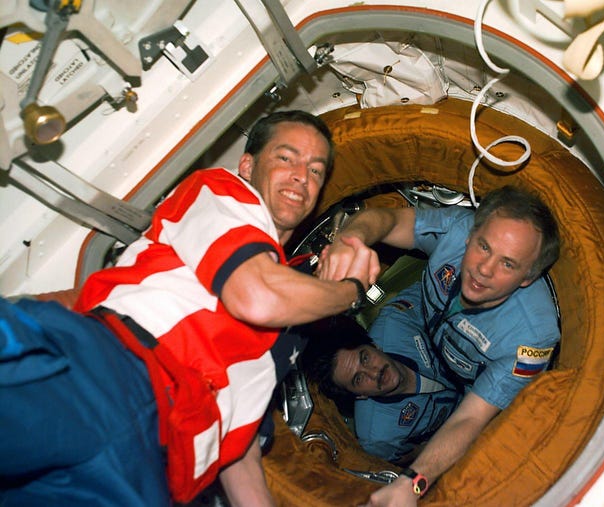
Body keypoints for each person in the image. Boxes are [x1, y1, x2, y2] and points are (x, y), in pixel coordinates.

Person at [0, 110, 375, 507]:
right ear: (247, 166)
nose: (303, 175)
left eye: (316, 170)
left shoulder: (288, 334)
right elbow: (255, 296)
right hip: (111, 370)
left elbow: (239, 449)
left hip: (164, 467)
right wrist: (349, 291)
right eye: (286, 158)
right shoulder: (222, 193)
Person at [317, 185, 561, 506]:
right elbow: (388, 221)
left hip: (472, 393)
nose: (484, 270)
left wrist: (414, 483)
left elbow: (471, 418)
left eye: (508, 264)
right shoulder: (454, 230)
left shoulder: (530, 336)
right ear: (471, 234)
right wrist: (351, 240)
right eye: (484, 246)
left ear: (528, 277)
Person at [302, 314, 460, 465]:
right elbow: (402, 461)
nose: (374, 372)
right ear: (359, 396)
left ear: (375, 345)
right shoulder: (377, 438)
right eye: (358, 379)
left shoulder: (395, 322)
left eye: (365, 358)